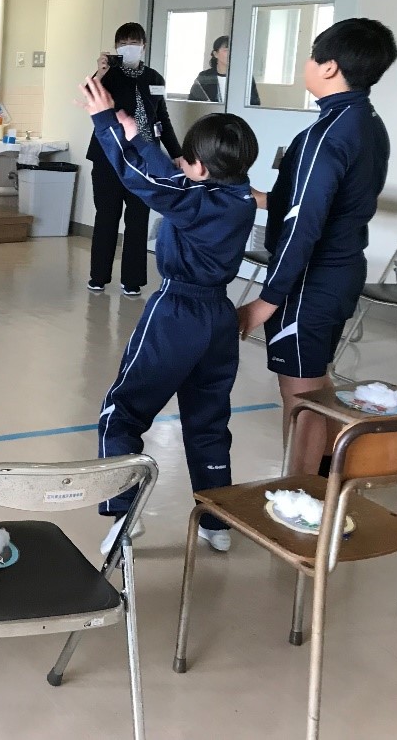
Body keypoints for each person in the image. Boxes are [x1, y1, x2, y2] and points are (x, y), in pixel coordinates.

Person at [80, 77, 259, 556]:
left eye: (186, 159)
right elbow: (171, 175)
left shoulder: (192, 201)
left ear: (201, 169)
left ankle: (123, 514)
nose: (179, 163)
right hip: (219, 318)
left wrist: (105, 122)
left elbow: (147, 180)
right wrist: (138, 136)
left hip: (177, 312)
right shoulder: (240, 198)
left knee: (121, 413)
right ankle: (217, 521)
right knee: (208, 422)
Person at [237, 19, 397, 475]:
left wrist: (266, 301)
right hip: (342, 272)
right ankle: (329, 484)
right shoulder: (368, 123)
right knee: (315, 382)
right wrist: (263, 199)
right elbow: (332, 202)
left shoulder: (324, 136)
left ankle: (299, 497)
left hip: (311, 282)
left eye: (311, 55)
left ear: (329, 67)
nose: (306, 63)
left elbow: (304, 227)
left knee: (301, 396)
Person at [87, 22, 182, 297]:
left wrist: (176, 153)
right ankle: (98, 276)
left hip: (144, 157)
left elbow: (162, 118)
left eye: (134, 42)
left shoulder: (154, 78)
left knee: (138, 219)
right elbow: (92, 98)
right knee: (107, 216)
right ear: (116, 47)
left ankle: (132, 280)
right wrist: (100, 73)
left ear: (143, 46)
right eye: (123, 42)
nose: (129, 46)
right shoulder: (108, 75)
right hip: (108, 156)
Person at [188, 35, 261, 106]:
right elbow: (193, 103)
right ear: (215, 54)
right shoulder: (205, 76)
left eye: (234, 49)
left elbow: (254, 104)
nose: (231, 53)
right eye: (226, 50)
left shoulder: (245, 77)